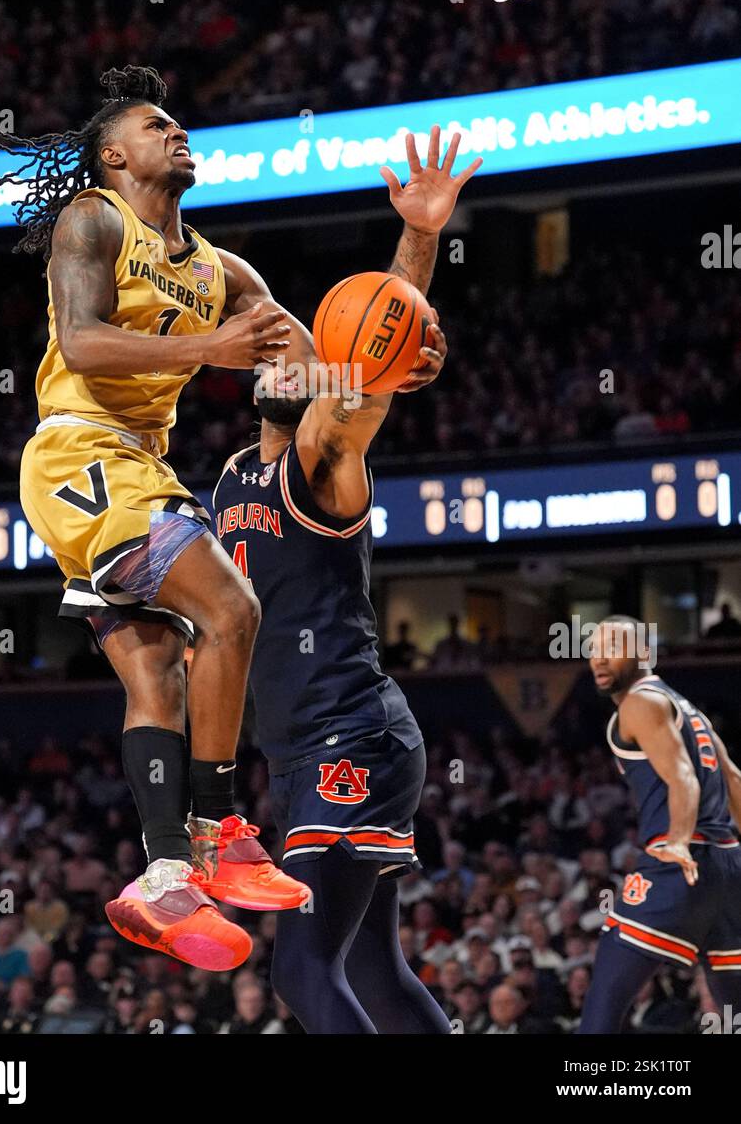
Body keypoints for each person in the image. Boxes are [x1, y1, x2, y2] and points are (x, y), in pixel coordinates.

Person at [0, 64, 311, 970]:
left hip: (137, 463)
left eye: (180, 124)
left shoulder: (221, 269)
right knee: (233, 609)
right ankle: (215, 828)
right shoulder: (93, 219)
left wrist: (397, 337)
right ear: (112, 153)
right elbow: (83, 341)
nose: (179, 134)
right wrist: (213, 348)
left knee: (161, 672)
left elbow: (317, 364)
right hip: (79, 453)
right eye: (157, 125)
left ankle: (164, 876)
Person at [214, 125, 480, 1033]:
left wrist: (419, 240)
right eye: (277, 347)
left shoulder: (322, 457)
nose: (292, 355)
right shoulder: (229, 478)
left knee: (300, 972)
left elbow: (382, 337)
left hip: (348, 735)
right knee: (370, 966)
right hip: (302, 754)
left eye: (309, 349)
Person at [579, 615, 741, 1033]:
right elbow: (735, 780)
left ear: (645, 654)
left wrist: (680, 841)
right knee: (735, 1012)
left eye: (614, 648)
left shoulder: (640, 702)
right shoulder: (691, 711)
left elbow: (683, 775)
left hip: (680, 865)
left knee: (604, 1002)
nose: (600, 659)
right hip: (728, 866)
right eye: (594, 649)